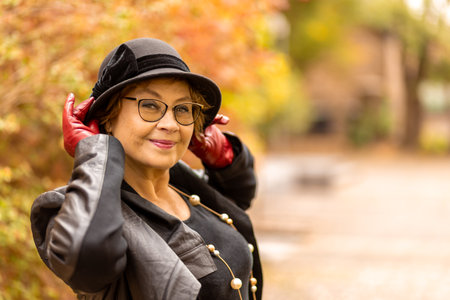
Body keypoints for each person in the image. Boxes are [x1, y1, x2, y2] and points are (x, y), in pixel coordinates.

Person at [30, 38, 262, 300]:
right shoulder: (67, 209)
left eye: (183, 109)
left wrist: (222, 154)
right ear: (108, 116)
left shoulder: (186, 188)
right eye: (150, 105)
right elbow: (89, 259)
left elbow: (239, 196)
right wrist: (94, 151)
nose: (171, 123)